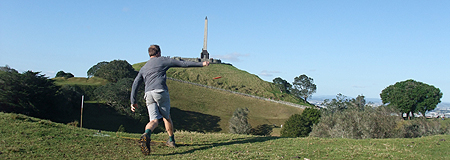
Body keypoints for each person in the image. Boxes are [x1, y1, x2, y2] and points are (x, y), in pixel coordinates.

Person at [130, 44, 209, 155]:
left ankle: (146, 134)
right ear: (158, 53)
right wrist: (202, 64)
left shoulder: (144, 67)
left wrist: (133, 101)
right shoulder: (163, 60)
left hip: (148, 94)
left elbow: (135, 83)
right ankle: (171, 140)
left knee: (153, 120)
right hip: (160, 92)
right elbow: (183, 64)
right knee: (166, 116)